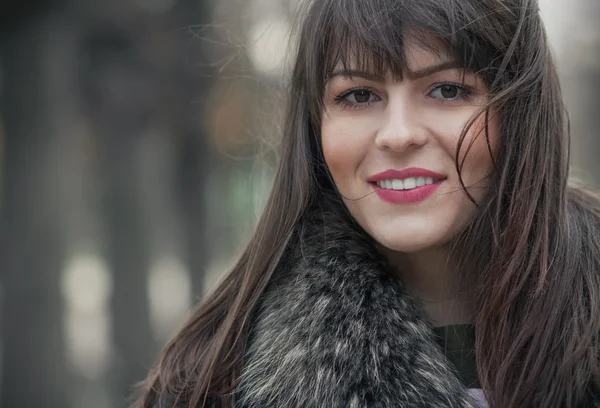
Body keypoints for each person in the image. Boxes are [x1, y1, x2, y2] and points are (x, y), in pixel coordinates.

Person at [136, 0, 600, 406]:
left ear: (520, 111)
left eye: (448, 89)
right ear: (315, 129)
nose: (398, 135)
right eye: (359, 95)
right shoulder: (213, 382)